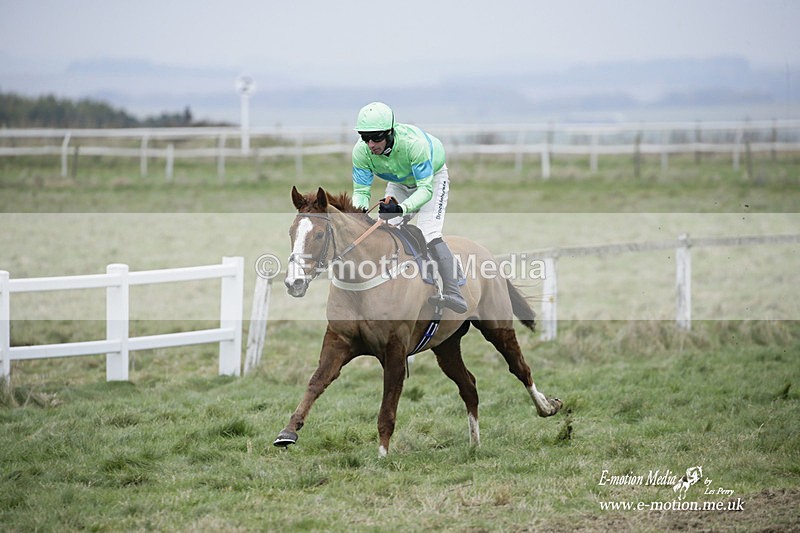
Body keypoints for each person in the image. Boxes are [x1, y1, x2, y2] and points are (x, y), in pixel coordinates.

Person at [351, 101, 467, 313]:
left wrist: (401, 209)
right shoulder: (361, 152)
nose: (370, 144)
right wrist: (357, 217)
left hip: (431, 180)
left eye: (376, 137)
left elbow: (425, 190)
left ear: (390, 132)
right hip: (399, 182)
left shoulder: (413, 145)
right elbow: (361, 192)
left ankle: (453, 289)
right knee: (386, 229)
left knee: (428, 231)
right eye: (365, 137)